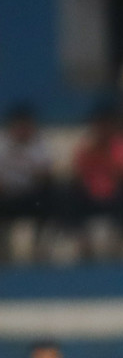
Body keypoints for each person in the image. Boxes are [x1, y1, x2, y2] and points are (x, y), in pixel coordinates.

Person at [65, 105, 123, 261]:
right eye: (100, 125)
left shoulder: (122, 146)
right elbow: (78, 174)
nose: (103, 129)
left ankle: (119, 245)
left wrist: (105, 159)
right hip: (91, 196)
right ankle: (83, 244)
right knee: (68, 194)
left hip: (116, 195)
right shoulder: (86, 147)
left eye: (107, 125)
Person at [0, 103, 56, 264]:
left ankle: (40, 247)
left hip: (31, 197)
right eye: (19, 126)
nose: (23, 130)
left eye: (26, 126)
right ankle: (4, 251)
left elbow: (45, 175)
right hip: (7, 196)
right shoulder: (2, 146)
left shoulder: (40, 146)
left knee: (50, 196)